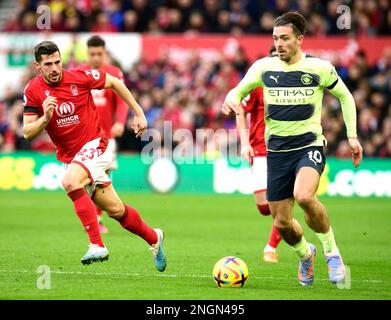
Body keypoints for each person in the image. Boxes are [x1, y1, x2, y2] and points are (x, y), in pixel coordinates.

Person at [222, 12, 363, 286]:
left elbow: (345, 96)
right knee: (282, 223)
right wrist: (230, 101)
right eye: (275, 38)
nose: (279, 44)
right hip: (276, 153)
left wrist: (353, 137)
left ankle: (332, 253)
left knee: (305, 196)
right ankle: (305, 254)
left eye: (284, 38)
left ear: (299, 39)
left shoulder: (320, 68)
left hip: (309, 146)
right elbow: (236, 92)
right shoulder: (264, 68)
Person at [23, 41, 167, 271]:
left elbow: (115, 82)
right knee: (116, 210)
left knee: (70, 181)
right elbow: (28, 132)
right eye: (48, 64)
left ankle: (96, 244)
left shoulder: (79, 77)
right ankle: (154, 238)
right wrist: (45, 117)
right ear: (37, 66)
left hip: (96, 145)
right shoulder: (33, 90)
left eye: (57, 62)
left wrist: (138, 113)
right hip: (72, 156)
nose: (54, 68)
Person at [236, 45, 282, 263]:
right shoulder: (258, 84)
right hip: (259, 149)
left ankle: (271, 247)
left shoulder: (293, 85)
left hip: (285, 150)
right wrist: (244, 143)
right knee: (264, 207)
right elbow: (239, 110)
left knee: (283, 203)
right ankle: (288, 228)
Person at [79, 35, 129, 234]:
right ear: (87, 53)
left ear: (105, 52)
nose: (96, 57)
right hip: (85, 138)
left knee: (103, 178)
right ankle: (96, 218)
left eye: (99, 53)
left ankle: (98, 217)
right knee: (87, 180)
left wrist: (120, 122)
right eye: (92, 54)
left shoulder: (114, 72)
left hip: (107, 137)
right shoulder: (79, 73)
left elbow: (122, 99)